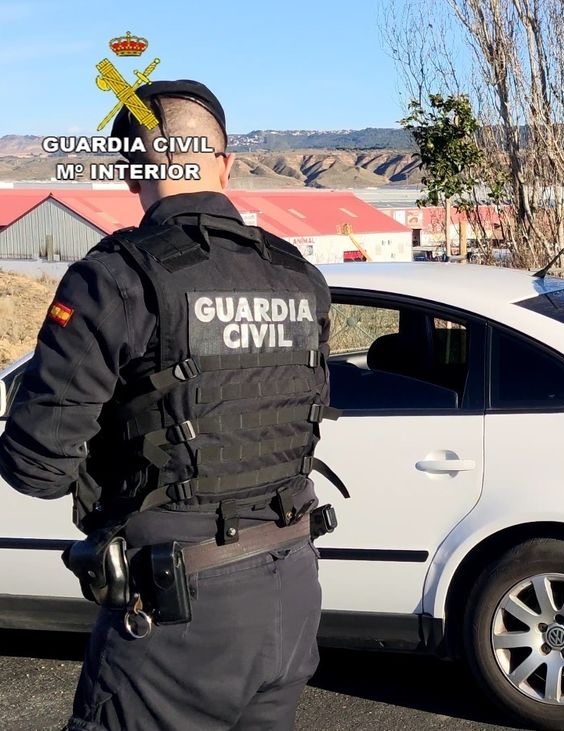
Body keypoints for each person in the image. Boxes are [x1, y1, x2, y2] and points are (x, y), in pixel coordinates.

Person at [0, 80, 343, 729]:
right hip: (293, 591)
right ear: (226, 164)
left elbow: (35, 465)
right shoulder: (301, 277)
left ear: (134, 174)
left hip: (180, 611)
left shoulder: (117, 278)